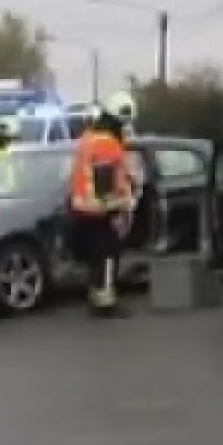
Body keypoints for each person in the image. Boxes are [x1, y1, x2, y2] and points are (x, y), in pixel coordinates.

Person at [67, 106, 136, 316]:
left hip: (83, 206)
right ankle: (105, 304)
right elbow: (106, 178)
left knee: (96, 257)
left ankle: (95, 298)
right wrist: (120, 205)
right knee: (107, 256)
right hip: (101, 207)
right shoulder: (108, 143)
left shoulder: (87, 139)